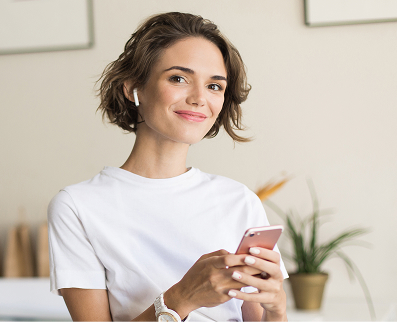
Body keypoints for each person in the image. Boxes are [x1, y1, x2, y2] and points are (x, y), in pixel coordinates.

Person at [48, 12, 288, 322]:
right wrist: (181, 298)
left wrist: (278, 310)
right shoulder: (77, 207)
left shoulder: (239, 201)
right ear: (133, 87)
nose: (200, 98)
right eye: (178, 78)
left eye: (215, 86)